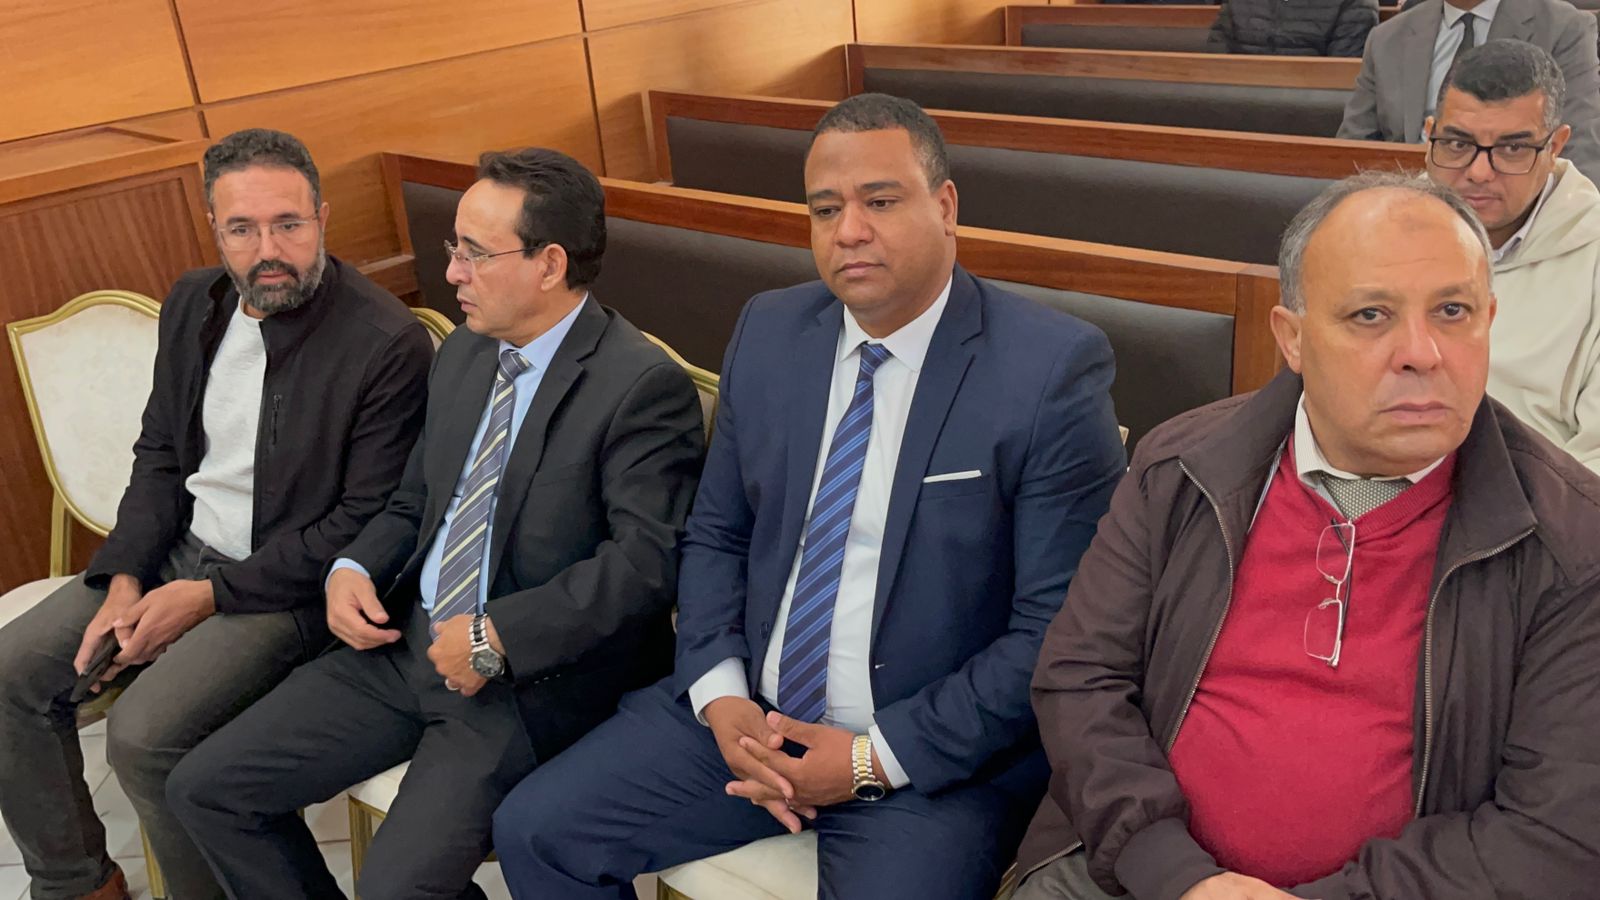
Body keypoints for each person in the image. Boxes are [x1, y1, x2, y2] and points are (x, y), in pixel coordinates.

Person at [490, 93, 1126, 899]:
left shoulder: (1049, 370)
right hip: (749, 718)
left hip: (926, 757)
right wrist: (721, 695)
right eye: (825, 209)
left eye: (879, 201)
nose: (848, 230)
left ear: (945, 206)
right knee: (537, 832)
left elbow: (1054, 630)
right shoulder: (771, 329)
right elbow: (717, 533)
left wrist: (869, 759)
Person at [1012, 170, 1600, 899]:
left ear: (1490, 319)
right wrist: (1176, 874)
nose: (1423, 352)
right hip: (1133, 866)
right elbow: (1080, 679)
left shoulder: (1574, 542)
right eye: (1371, 315)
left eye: (1453, 311)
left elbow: (1554, 832)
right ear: (1291, 338)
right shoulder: (1182, 467)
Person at [165, 146, 705, 900]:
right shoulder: (465, 354)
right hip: (404, 648)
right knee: (206, 790)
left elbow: (645, 564)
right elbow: (417, 499)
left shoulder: (640, 386)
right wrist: (352, 567)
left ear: (550, 264)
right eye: (456, 247)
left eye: (475, 254)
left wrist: (496, 637)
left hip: (524, 684)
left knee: (393, 889)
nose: (451, 272)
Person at [0, 128, 432, 900]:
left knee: (144, 737)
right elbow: (161, 456)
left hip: (290, 587)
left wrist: (205, 598)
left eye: (288, 224)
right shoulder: (193, 303)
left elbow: (363, 521)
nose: (268, 250)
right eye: (242, 228)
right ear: (215, 229)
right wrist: (126, 578)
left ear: (322, 218)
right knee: (9, 673)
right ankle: (77, 885)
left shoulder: (386, 341)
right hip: (180, 551)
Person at [1425, 39, 1600, 472]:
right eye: (1457, 143)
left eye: (1512, 149)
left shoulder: (1592, 254)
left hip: (1530, 496)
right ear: (1429, 134)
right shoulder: (1385, 228)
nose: (1479, 172)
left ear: (1555, 147)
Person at [1336, 0, 1600, 183]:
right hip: (1403, 205)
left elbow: (1579, 151)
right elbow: (1349, 152)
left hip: (1513, 213)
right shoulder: (1387, 38)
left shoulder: (1564, 28)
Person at [1207, 0, 1377, 56]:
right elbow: (1215, 64)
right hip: (1233, 107)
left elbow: (1340, 80)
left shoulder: (1353, 3)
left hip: (1310, 113)